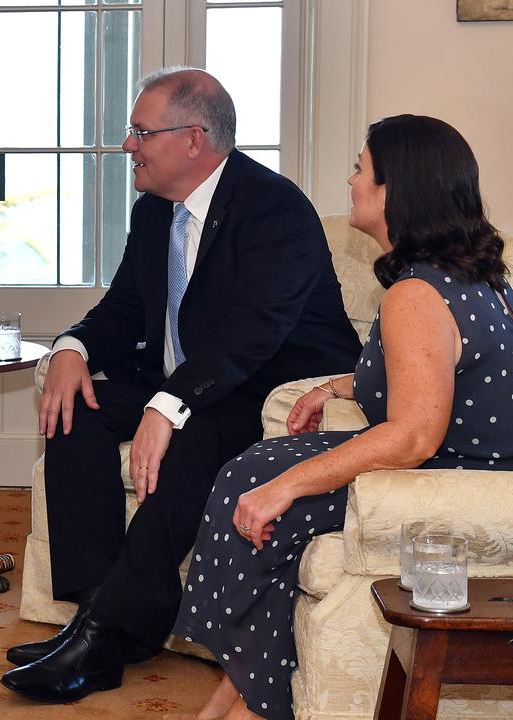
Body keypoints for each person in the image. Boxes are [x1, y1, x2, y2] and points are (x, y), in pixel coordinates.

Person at [0, 67, 362, 704]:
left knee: (191, 438)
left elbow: (252, 334)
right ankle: (97, 618)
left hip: (273, 396)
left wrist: (167, 406)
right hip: (192, 387)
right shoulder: (154, 212)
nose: (128, 146)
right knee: (74, 410)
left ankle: (108, 631)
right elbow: (121, 309)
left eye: (141, 132)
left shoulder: (273, 209)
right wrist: (71, 348)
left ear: (194, 139)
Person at [171, 114, 512, 720]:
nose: (350, 179)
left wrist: (285, 487)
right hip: (460, 463)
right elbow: (449, 370)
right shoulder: (471, 275)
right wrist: (341, 384)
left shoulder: (418, 291)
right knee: (252, 479)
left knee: (256, 491)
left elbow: (412, 435)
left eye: (361, 169)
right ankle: (237, 696)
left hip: (442, 478)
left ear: (395, 192)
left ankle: (250, 705)